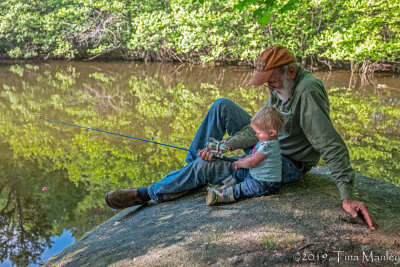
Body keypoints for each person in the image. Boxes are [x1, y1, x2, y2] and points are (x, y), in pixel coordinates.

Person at [105, 45, 378, 230]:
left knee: (206, 167)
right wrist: (224, 144)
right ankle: (188, 170)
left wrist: (347, 195)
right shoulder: (282, 86)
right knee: (222, 105)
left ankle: (148, 193)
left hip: (285, 161)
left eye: (272, 81)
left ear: (291, 72)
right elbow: (259, 128)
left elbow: (332, 146)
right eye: (267, 82)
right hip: (269, 139)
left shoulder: (306, 93)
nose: (269, 87)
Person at [206, 106, 284, 205]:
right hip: (256, 175)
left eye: (258, 133)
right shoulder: (264, 141)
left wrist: (240, 163)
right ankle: (222, 187)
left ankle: (219, 197)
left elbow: (253, 162)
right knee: (240, 174)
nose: (256, 135)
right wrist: (244, 159)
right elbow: (253, 155)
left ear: (272, 132)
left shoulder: (268, 146)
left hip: (265, 183)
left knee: (243, 188)